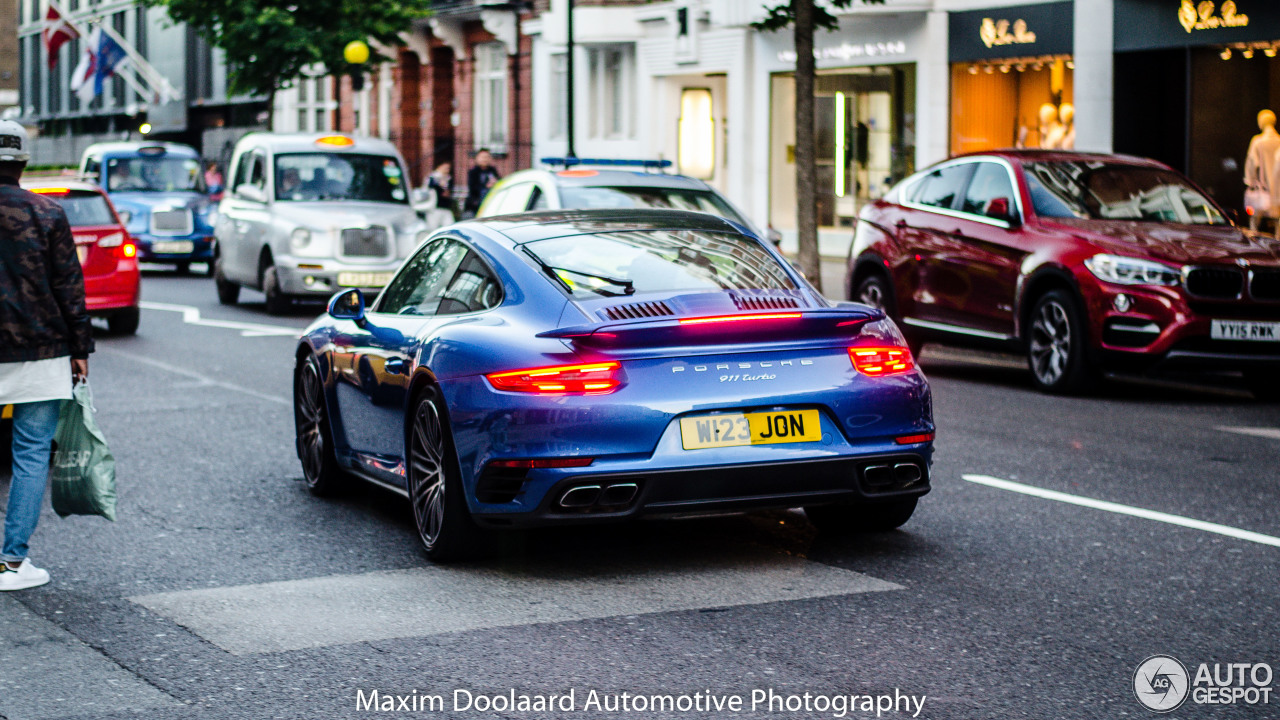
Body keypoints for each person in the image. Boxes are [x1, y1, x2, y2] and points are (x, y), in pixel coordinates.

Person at [0, 120, 93, 591]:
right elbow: (69, 289)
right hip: (39, 349)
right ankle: (11, 563)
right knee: (32, 453)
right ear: (23, 162)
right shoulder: (48, 214)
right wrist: (80, 349)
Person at [463, 149, 500, 217]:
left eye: (487, 157)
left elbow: (499, 181)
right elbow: (473, 187)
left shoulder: (492, 171)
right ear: (477, 158)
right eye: (482, 157)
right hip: (476, 204)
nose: (485, 159)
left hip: (490, 202)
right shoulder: (473, 171)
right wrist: (486, 186)